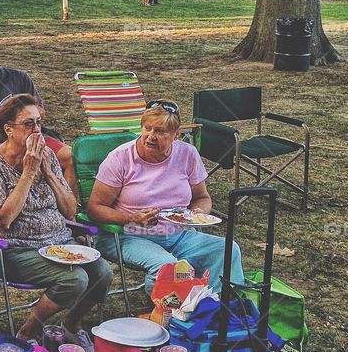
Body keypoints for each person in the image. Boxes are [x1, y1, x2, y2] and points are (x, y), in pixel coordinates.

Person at [0, 94, 113, 347]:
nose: (37, 130)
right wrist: (28, 172)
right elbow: (3, 220)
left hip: (57, 242)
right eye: (28, 124)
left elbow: (70, 212)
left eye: (39, 123)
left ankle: (72, 323)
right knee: (75, 279)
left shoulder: (47, 155)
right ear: (8, 130)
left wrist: (49, 172)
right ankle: (28, 331)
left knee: (102, 273)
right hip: (11, 250)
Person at [85, 99, 244, 294]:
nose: (151, 136)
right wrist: (132, 218)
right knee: (169, 267)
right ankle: (169, 315)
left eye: (160, 132)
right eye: (147, 128)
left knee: (228, 250)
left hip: (177, 234)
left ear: (176, 135)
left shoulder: (187, 154)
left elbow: (202, 197)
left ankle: (220, 309)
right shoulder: (121, 158)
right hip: (127, 235)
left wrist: (197, 214)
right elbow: (95, 208)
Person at [0, 32, 76, 191]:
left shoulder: (19, 78)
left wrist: (23, 117)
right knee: (16, 164)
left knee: (71, 157)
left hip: (31, 137)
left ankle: (65, 209)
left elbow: (40, 109)